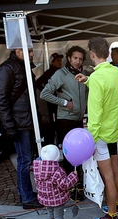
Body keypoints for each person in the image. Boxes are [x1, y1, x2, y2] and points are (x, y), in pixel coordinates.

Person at [75, 36, 118, 219]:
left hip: (101, 136)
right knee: (115, 171)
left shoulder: (97, 78)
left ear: (92, 54)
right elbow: (108, 90)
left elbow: (94, 116)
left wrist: (91, 141)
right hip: (114, 132)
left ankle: (112, 217)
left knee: (108, 177)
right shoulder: (115, 72)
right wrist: (88, 80)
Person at [0, 48, 43, 210]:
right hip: (19, 123)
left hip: (26, 122)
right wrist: (10, 127)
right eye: (28, 50)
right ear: (18, 50)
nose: (32, 54)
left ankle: (27, 193)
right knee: (24, 161)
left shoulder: (23, 66)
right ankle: (27, 197)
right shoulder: (6, 69)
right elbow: (1, 101)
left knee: (26, 160)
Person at [40, 46, 88, 176]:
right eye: (75, 58)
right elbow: (44, 93)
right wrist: (65, 103)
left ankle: (77, 184)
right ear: (69, 58)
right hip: (65, 120)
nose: (77, 61)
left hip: (78, 120)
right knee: (69, 156)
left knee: (79, 153)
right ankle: (70, 186)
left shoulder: (83, 74)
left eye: (80, 59)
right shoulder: (61, 74)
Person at [33, 144, 78, 219]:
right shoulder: (58, 171)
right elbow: (64, 185)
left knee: (50, 213)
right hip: (57, 199)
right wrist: (73, 176)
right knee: (58, 216)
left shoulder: (37, 169)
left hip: (45, 198)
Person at [35, 53, 64, 145]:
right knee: (53, 122)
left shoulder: (63, 71)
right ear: (52, 62)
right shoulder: (48, 72)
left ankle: (60, 141)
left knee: (61, 122)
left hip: (63, 101)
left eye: (61, 60)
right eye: (58, 61)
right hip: (53, 102)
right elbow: (37, 83)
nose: (60, 62)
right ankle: (54, 142)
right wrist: (47, 92)